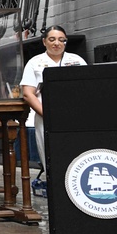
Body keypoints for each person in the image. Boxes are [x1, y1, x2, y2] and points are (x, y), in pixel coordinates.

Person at [20, 25, 86, 173]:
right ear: (44, 42)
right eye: (52, 39)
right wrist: (48, 115)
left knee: (77, 156)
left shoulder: (77, 60)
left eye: (61, 40)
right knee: (51, 158)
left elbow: (87, 88)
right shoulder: (34, 63)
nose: (57, 43)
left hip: (75, 117)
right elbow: (28, 93)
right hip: (46, 118)